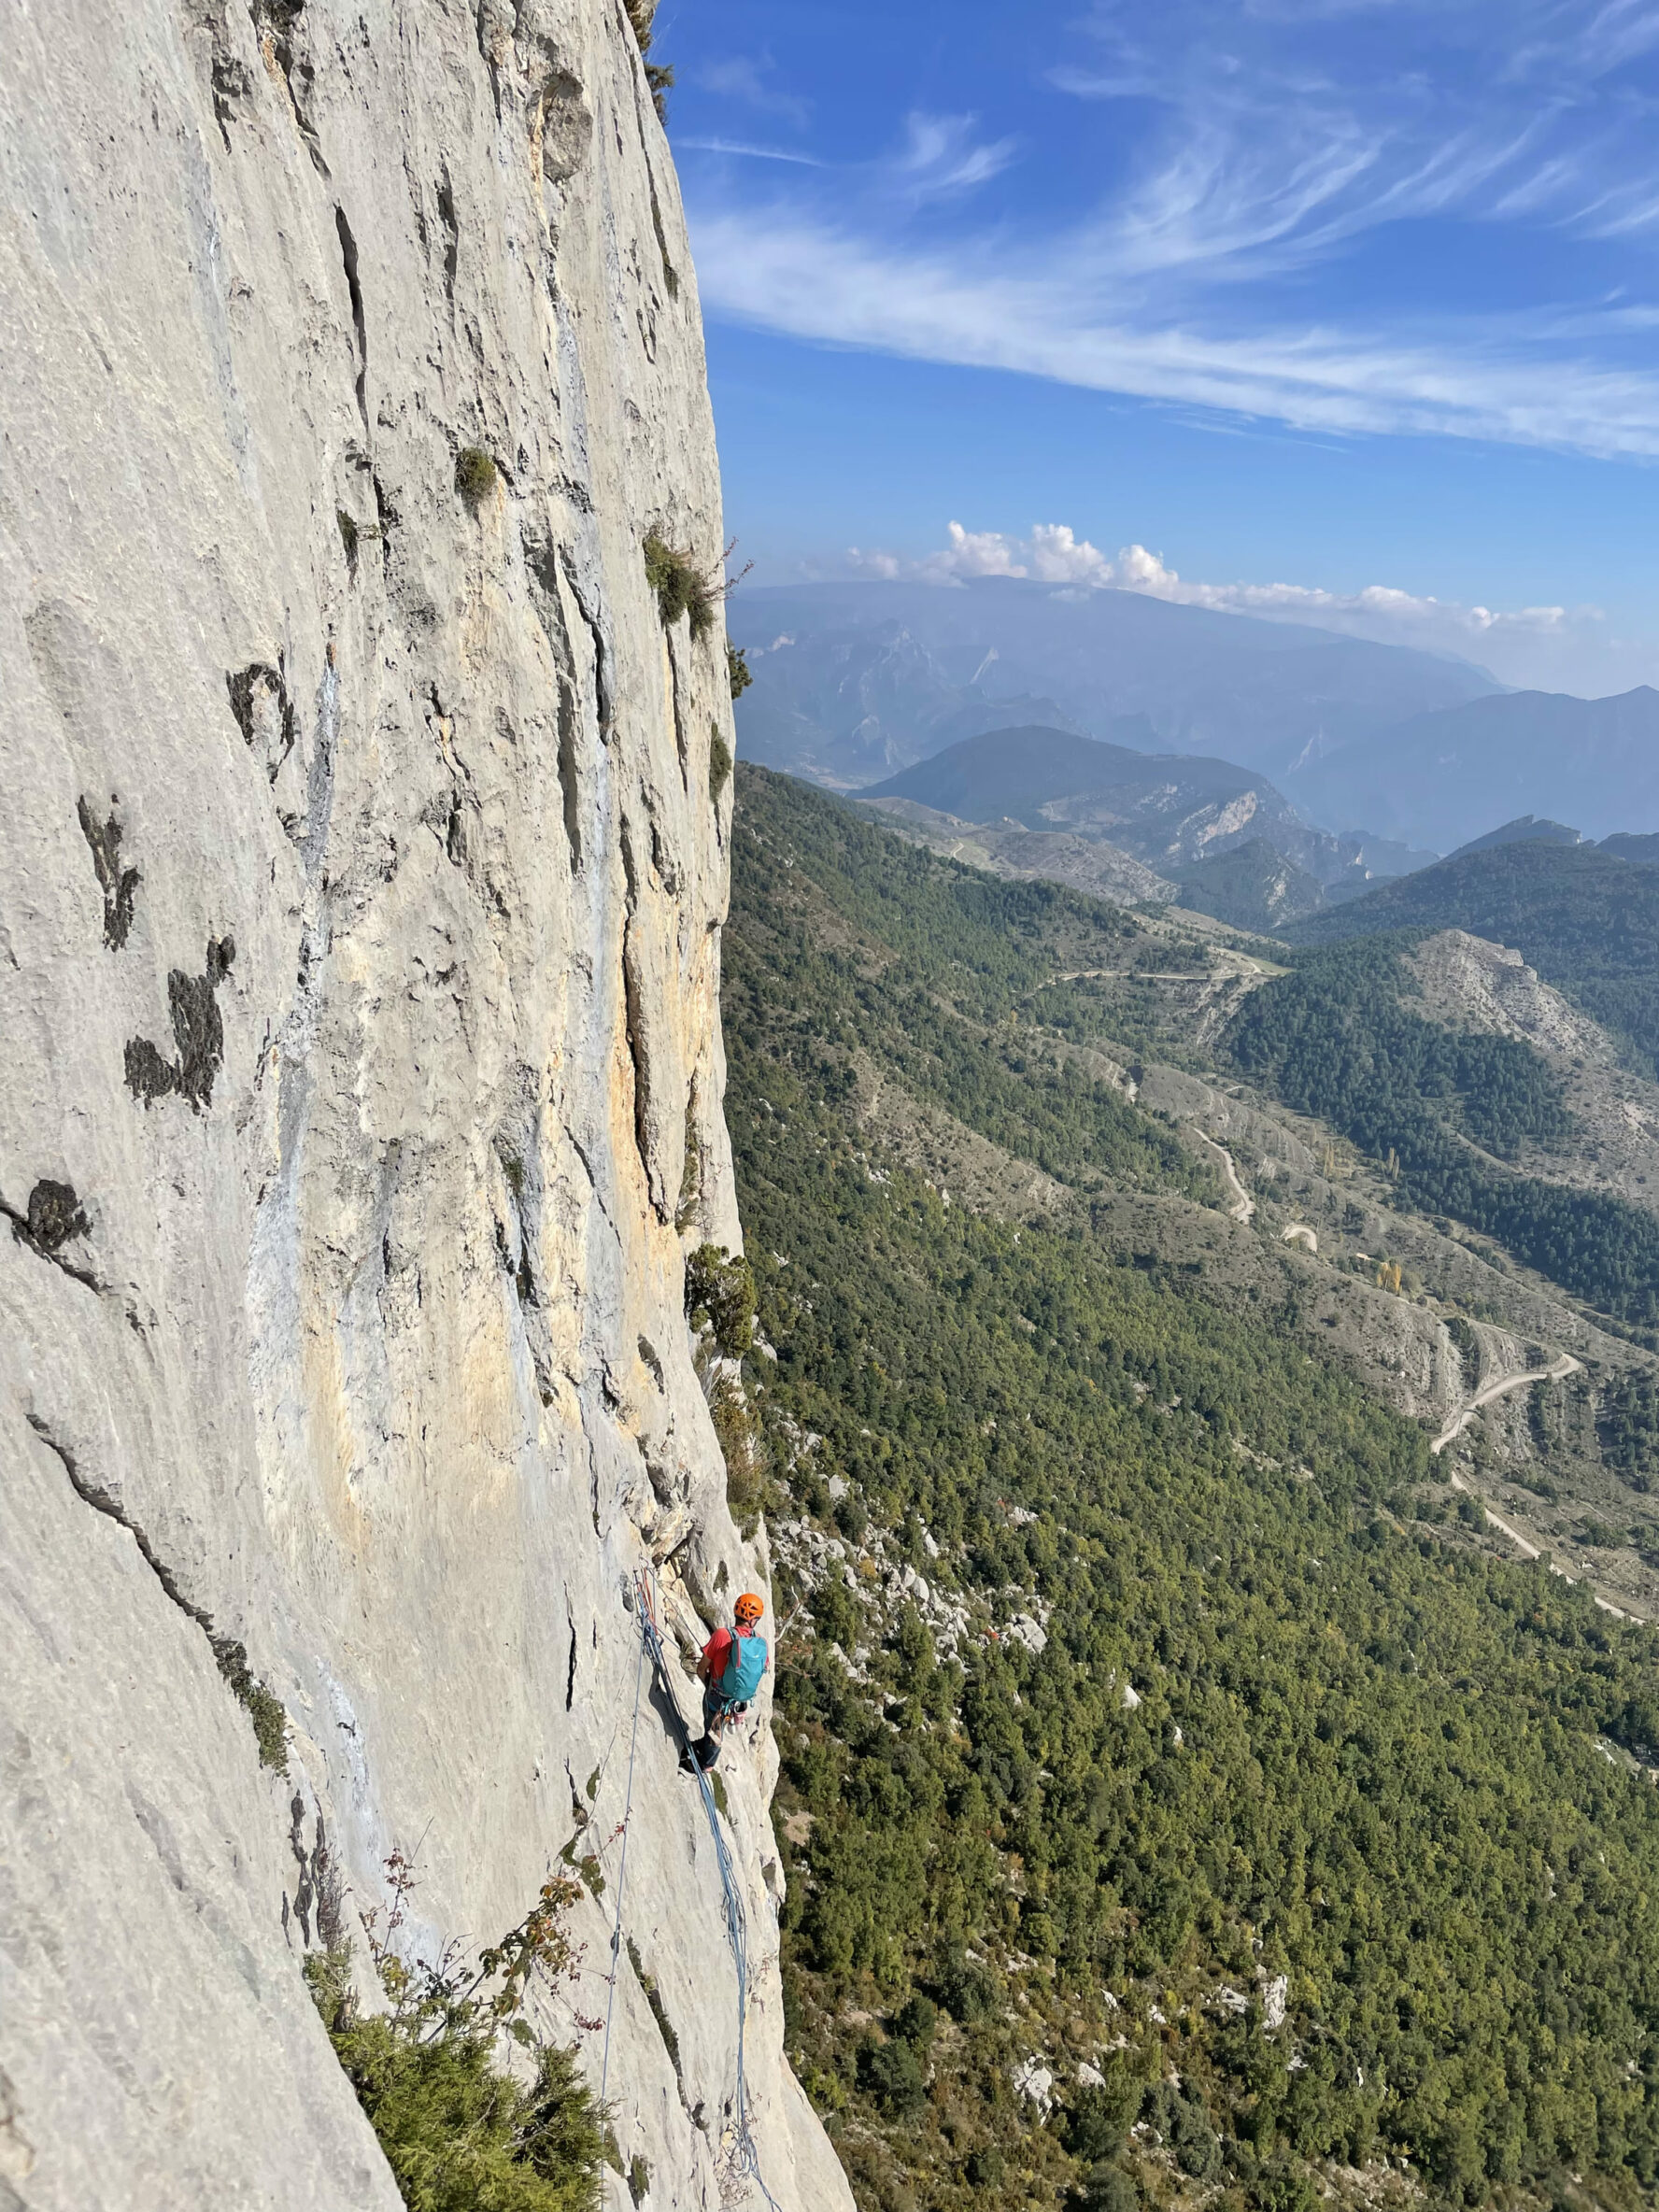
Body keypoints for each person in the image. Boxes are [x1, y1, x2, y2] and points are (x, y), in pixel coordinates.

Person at [685, 1592, 768, 1771]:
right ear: (753, 1620)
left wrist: (709, 1685)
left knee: (713, 1727)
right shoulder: (759, 1643)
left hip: (716, 1693)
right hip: (739, 1698)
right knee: (717, 1726)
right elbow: (761, 1669)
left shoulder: (722, 1636)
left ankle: (706, 1764)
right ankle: (705, 1745)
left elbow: (701, 1669)